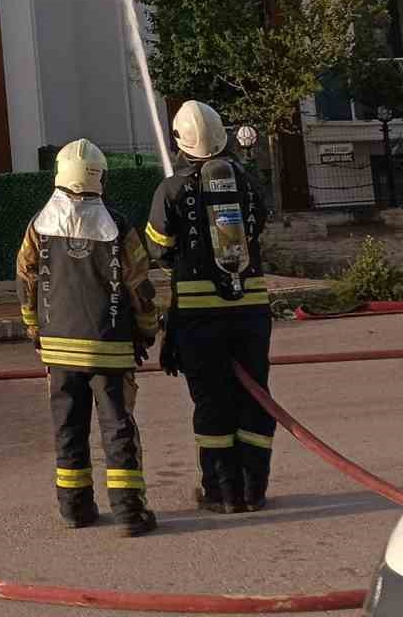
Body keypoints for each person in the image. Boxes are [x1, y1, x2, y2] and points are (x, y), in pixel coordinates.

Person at [16, 138, 159, 536]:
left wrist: (34, 329)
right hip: (111, 349)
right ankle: (130, 514)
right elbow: (140, 287)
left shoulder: (38, 224)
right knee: (118, 427)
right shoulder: (118, 225)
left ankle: (75, 509)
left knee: (68, 428)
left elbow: (26, 281)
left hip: (59, 349)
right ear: (101, 178)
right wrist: (146, 332)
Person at [145, 101, 275, 514]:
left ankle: (222, 493)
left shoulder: (172, 189)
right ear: (222, 137)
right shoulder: (248, 182)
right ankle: (254, 489)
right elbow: (260, 226)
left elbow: (157, 247)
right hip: (251, 308)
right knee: (254, 398)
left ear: (180, 141)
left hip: (200, 314)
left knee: (212, 401)